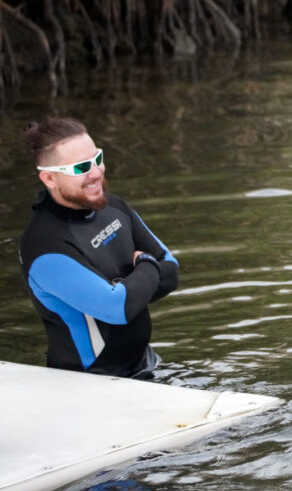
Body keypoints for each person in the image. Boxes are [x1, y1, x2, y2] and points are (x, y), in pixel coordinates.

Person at [19, 117, 179, 378]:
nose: (96, 172)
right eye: (81, 167)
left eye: (97, 158)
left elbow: (171, 272)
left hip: (145, 366)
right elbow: (117, 309)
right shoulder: (45, 245)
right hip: (90, 383)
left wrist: (134, 282)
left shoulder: (112, 207)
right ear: (49, 178)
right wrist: (148, 264)